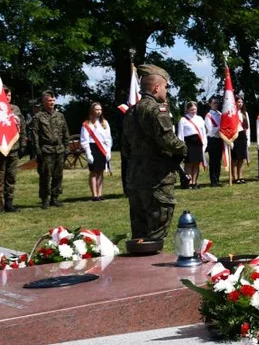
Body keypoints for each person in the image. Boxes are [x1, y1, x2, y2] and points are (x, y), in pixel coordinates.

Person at [122, 64, 187, 241]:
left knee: (139, 233)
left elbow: (125, 148)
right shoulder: (155, 111)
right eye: (165, 87)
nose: (166, 92)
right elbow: (170, 142)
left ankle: (137, 267)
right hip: (156, 180)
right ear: (156, 87)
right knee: (156, 234)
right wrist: (183, 148)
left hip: (135, 179)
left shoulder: (130, 112)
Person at [0, 86, 26, 213]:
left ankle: (9, 202)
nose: (7, 98)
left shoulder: (16, 109)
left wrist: (23, 144)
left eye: (9, 96)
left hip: (13, 148)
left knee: (11, 176)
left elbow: (22, 127)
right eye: (5, 96)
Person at [31, 91, 69, 209]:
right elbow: (35, 134)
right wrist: (37, 149)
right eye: (49, 100)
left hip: (59, 149)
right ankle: (45, 199)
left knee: (58, 175)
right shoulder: (38, 117)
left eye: (53, 100)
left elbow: (65, 132)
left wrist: (66, 146)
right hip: (46, 149)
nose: (52, 103)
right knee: (45, 175)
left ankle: (55, 197)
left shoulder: (60, 116)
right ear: (44, 102)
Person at [80, 102, 113, 202]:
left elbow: (108, 138)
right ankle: (94, 194)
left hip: (102, 148)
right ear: (92, 110)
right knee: (94, 172)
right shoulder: (87, 124)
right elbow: (84, 140)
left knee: (101, 172)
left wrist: (108, 151)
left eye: (100, 110)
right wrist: (88, 153)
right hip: (92, 147)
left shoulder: (104, 123)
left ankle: (100, 193)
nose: (98, 111)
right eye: (96, 109)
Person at [177, 101, 206, 190]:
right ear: (188, 109)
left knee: (196, 163)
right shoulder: (183, 119)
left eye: (195, 109)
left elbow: (203, 132)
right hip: (188, 143)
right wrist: (181, 146)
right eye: (192, 109)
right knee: (189, 164)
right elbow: (180, 134)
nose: (194, 111)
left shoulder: (200, 118)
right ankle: (188, 183)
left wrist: (204, 143)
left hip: (198, 143)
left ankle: (194, 182)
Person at [204, 96, 224, 187]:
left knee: (218, 161)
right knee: (213, 161)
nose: (216, 104)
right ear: (210, 104)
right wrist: (220, 126)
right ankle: (213, 180)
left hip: (219, 139)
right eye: (214, 103)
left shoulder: (220, 114)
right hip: (212, 140)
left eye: (217, 103)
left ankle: (217, 179)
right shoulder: (208, 116)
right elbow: (211, 131)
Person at [230, 96, 250, 184]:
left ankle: (240, 176)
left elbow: (247, 127)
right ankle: (234, 177)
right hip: (235, 136)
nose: (240, 104)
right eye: (238, 102)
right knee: (235, 158)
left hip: (242, 136)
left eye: (241, 102)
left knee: (241, 158)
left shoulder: (244, 113)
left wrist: (248, 139)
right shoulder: (231, 113)